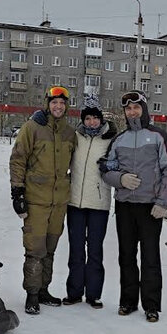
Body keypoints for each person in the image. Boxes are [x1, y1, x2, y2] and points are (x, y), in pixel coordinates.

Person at [100, 90, 167, 322]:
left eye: (136, 107)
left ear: (144, 109)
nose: (132, 111)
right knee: (126, 255)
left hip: (150, 207)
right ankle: (128, 301)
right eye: (128, 108)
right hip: (125, 206)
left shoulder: (158, 137)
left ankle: (151, 305)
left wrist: (163, 202)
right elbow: (105, 169)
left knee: (150, 256)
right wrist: (120, 179)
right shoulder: (119, 139)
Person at [9, 85, 77, 315]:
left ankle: (44, 290)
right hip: (36, 200)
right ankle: (32, 294)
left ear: (66, 106)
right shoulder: (32, 128)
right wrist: (17, 192)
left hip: (58, 203)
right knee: (34, 249)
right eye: (54, 102)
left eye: (62, 103)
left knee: (50, 249)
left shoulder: (69, 133)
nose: (58, 106)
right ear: (47, 104)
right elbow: (18, 159)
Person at [63, 95, 117, 309]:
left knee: (94, 250)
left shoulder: (110, 139)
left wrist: (110, 165)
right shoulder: (75, 137)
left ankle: (93, 294)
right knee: (76, 249)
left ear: (101, 119)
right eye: (87, 118)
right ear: (82, 120)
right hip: (74, 202)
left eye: (95, 118)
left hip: (99, 204)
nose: (91, 122)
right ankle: (74, 292)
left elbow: (118, 162)